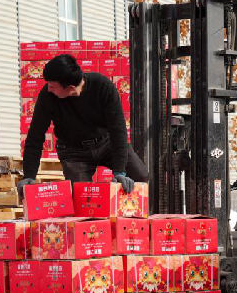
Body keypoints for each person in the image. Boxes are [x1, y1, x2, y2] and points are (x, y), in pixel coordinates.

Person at [18, 54, 148, 193]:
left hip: (106, 143)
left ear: (71, 88)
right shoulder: (47, 96)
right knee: (82, 196)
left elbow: (118, 131)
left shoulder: (102, 87)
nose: (49, 89)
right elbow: (35, 136)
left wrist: (120, 173)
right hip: (73, 151)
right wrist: (29, 176)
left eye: (52, 86)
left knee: (140, 176)